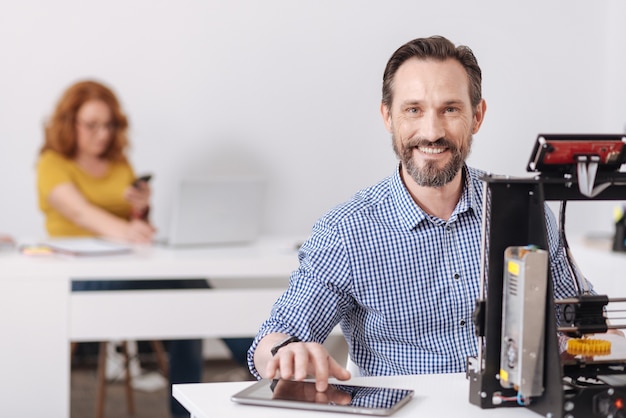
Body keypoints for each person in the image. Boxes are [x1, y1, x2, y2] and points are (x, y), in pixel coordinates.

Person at [247, 35, 586, 392]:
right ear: (387, 117)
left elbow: (575, 318)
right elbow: (271, 343)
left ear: (477, 116)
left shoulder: (525, 209)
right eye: (413, 110)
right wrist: (287, 352)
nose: (432, 131)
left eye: (450, 109)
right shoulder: (346, 230)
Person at [36, 80, 203, 417]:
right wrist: (129, 229)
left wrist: (141, 209)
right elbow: (79, 211)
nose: (103, 134)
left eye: (109, 125)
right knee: (192, 295)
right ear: (70, 123)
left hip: (128, 268)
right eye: (92, 125)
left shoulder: (119, 162)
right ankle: (254, 354)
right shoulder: (52, 163)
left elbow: (133, 221)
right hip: (76, 277)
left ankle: (191, 403)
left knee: (193, 296)